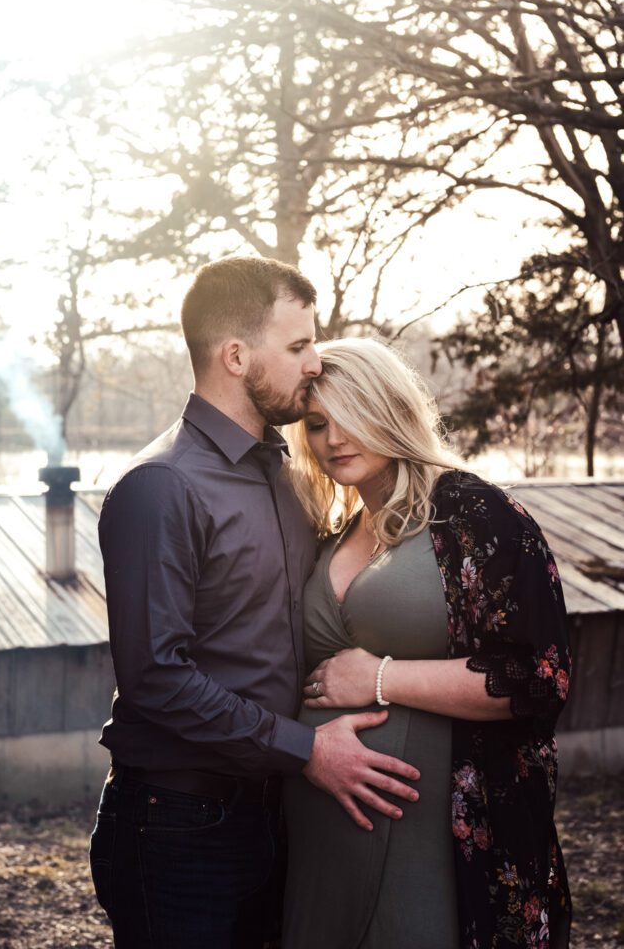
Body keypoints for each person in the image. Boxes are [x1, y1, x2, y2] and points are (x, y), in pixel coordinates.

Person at [89, 259, 420, 949]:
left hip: (274, 816)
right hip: (178, 825)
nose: (314, 362)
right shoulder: (162, 486)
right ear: (236, 356)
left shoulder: (286, 477)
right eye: (298, 346)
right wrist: (306, 750)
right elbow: (156, 678)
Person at [282, 337, 572, 949]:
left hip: (439, 845)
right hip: (320, 851)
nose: (334, 438)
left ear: (391, 408)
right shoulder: (334, 532)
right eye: (317, 423)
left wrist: (378, 678)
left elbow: (538, 676)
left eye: (353, 415)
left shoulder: (474, 514)